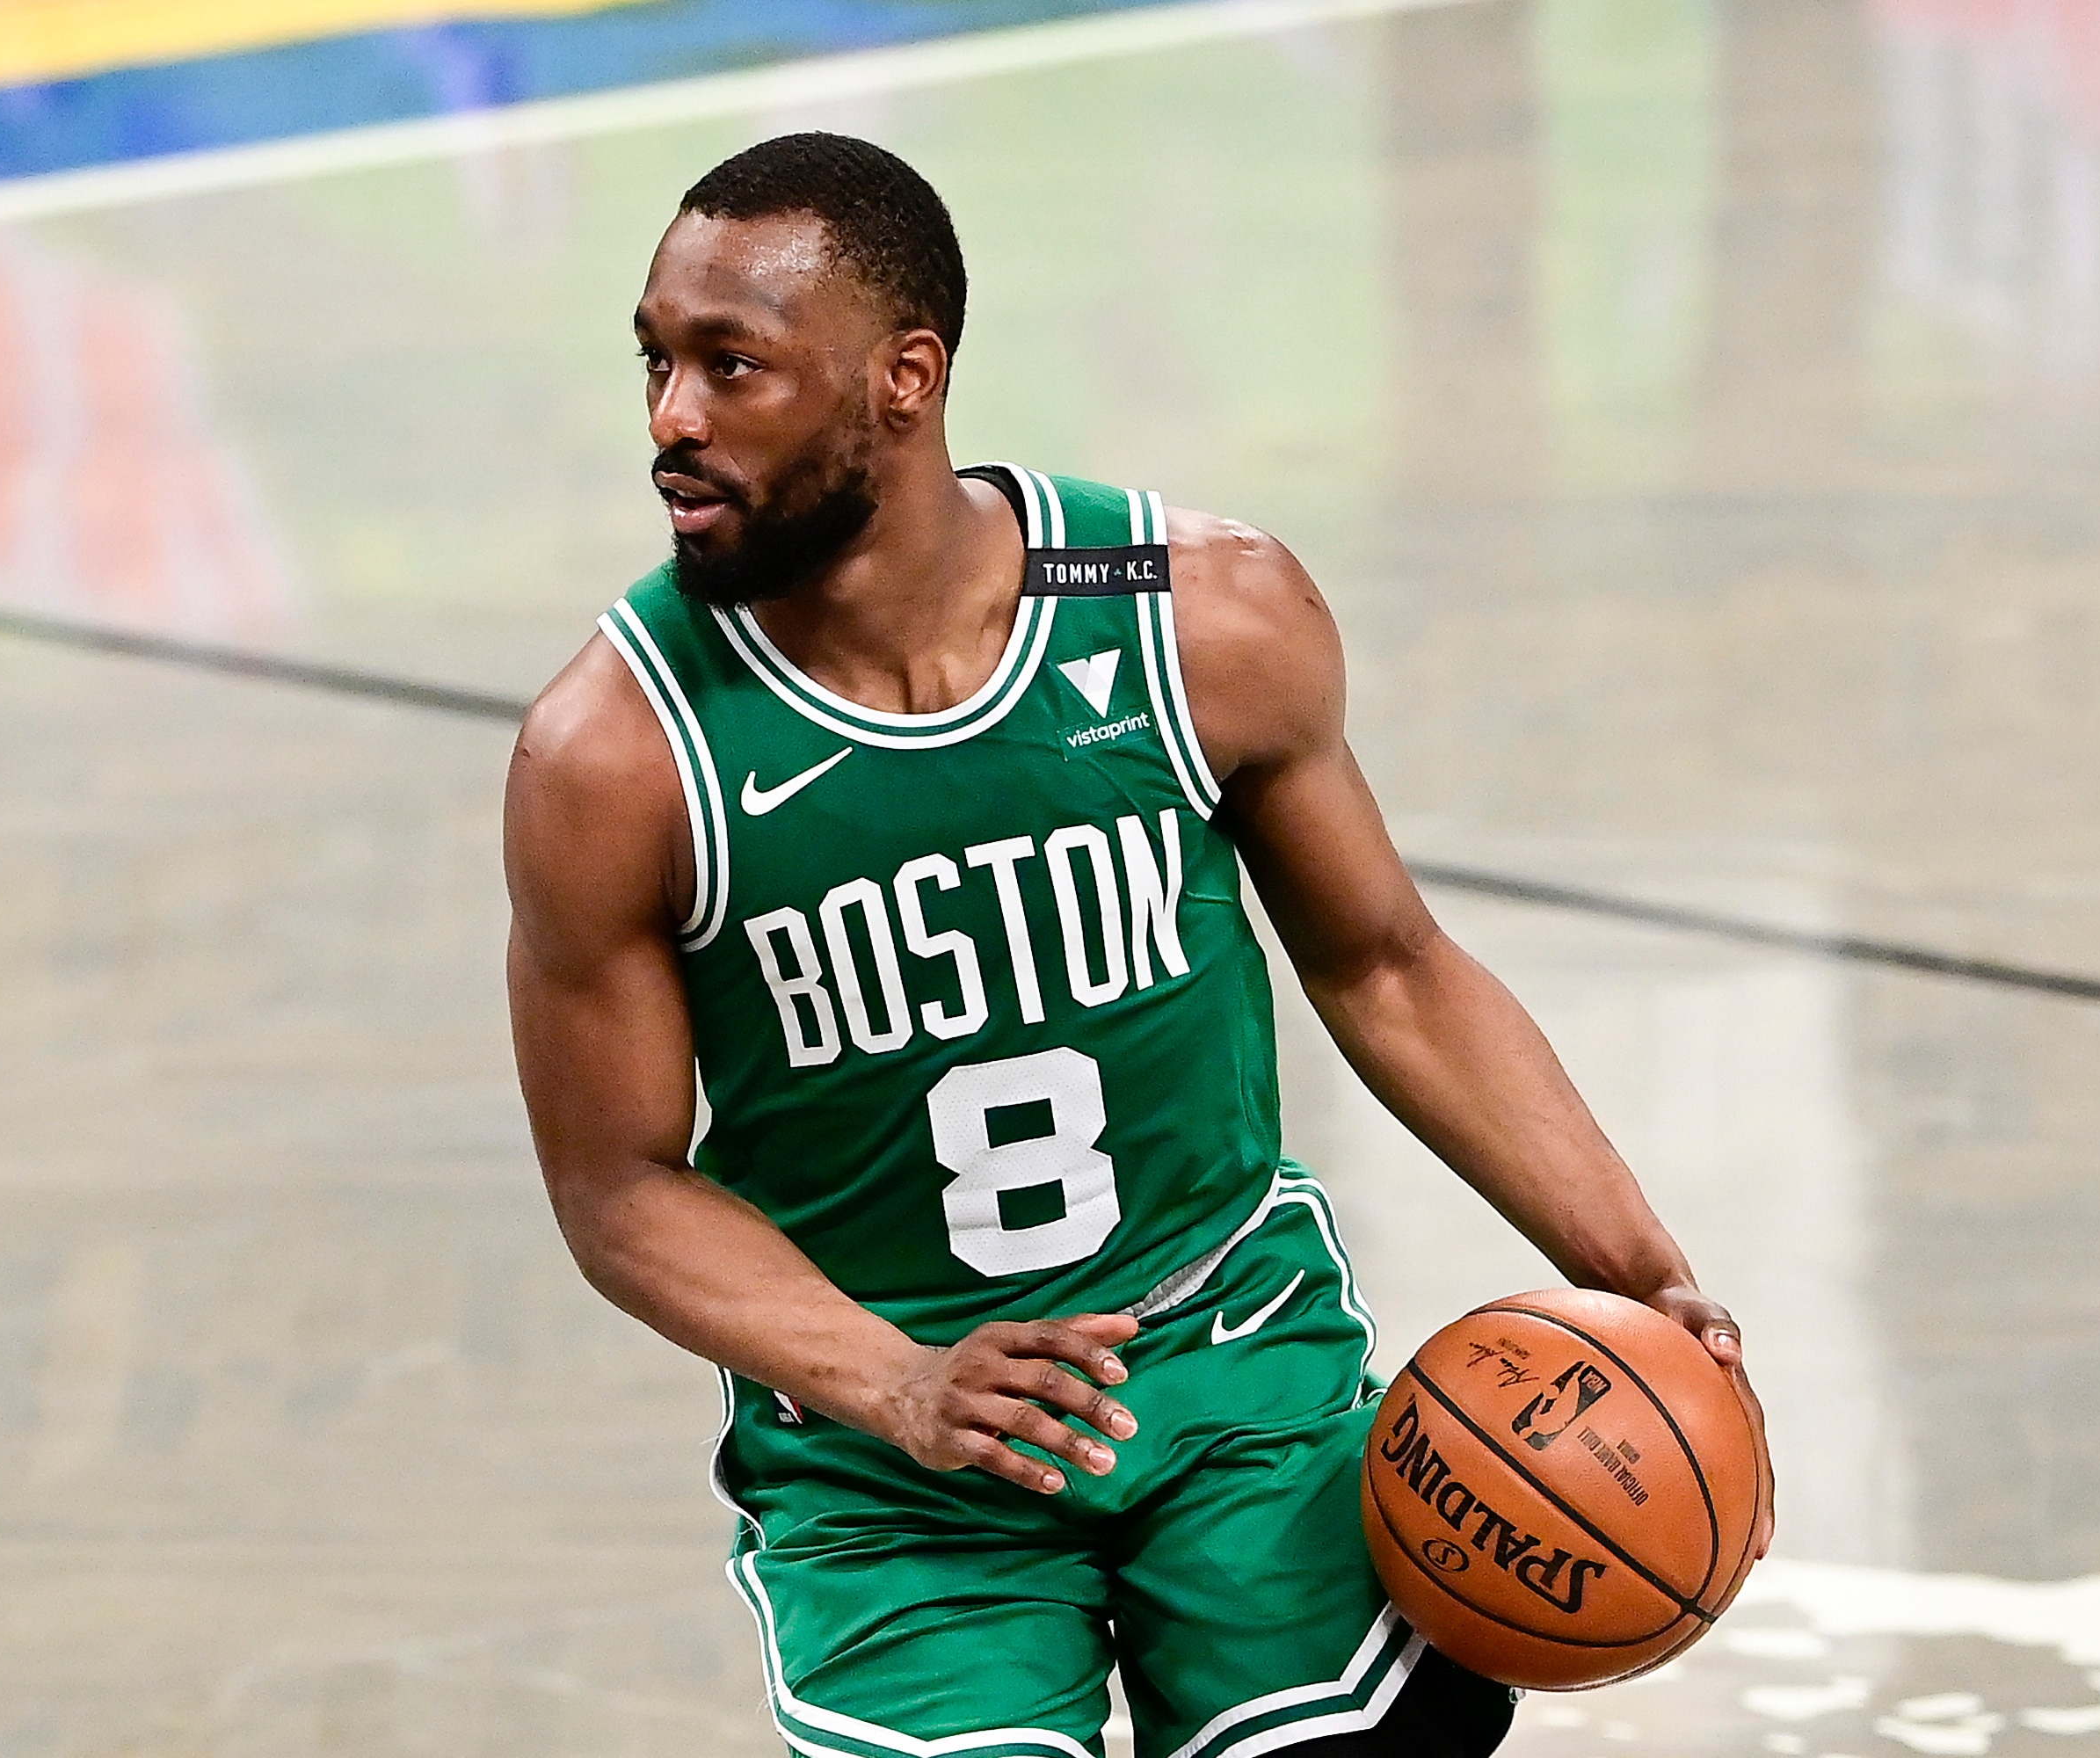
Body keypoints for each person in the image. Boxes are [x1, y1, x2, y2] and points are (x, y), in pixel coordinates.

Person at [505, 133, 1773, 1758]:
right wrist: (897, 1383)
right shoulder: (613, 756)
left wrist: (1632, 1262)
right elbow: (619, 1184)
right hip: (896, 1460)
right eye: (657, 363)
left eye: (731, 368)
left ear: (906, 379)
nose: (673, 420)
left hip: (1228, 1354)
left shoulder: (1201, 618)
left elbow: (1386, 964)